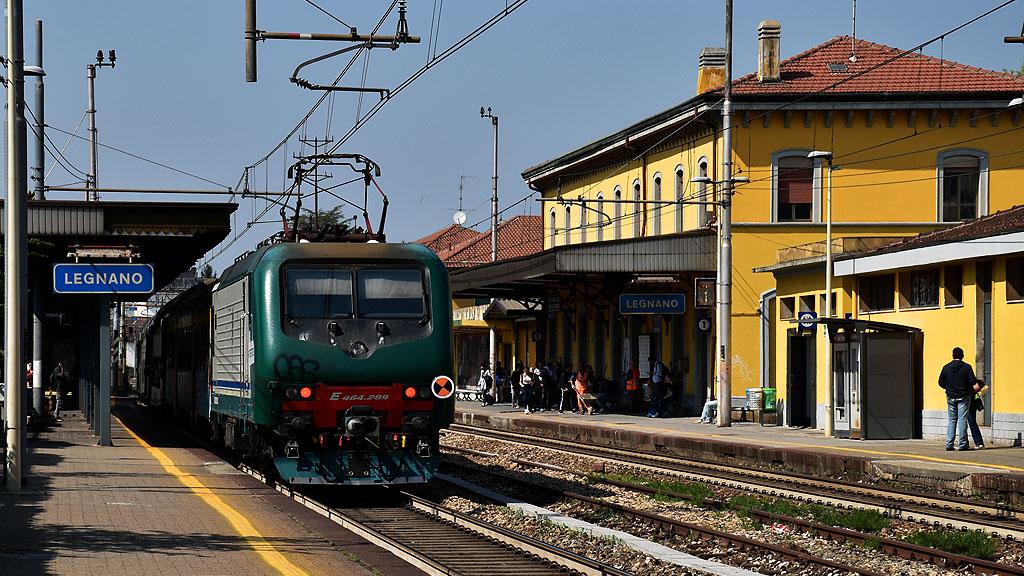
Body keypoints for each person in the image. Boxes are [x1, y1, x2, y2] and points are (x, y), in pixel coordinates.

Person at [938, 347, 976, 451]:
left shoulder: (946, 367)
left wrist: (948, 388)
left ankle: (949, 444)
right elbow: (973, 381)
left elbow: (940, 382)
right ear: (962, 356)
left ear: (953, 355)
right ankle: (962, 444)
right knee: (962, 419)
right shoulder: (967, 367)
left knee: (951, 420)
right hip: (963, 396)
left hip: (950, 396)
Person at [967, 379, 989, 449]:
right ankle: (965, 443)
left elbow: (985, 387)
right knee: (968, 424)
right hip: (966, 404)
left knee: (972, 423)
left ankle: (979, 443)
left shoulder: (975, 382)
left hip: (971, 405)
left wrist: (977, 395)